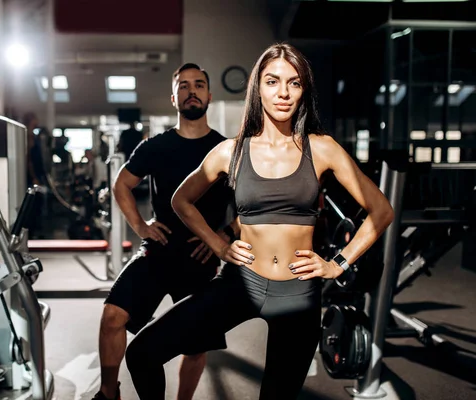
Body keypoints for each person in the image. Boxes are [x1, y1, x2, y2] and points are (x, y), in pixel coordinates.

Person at [125, 43, 395, 399]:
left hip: (298, 294)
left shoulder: (323, 148)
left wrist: (337, 264)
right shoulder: (230, 151)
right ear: (258, 88)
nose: (283, 92)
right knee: (142, 352)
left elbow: (382, 211)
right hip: (239, 284)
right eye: (273, 81)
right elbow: (181, 200)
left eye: (294, 83)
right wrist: (219, 245)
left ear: (304, 91)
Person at [93, 63, 239, 400]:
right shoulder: (155, 147)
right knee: (112, 316)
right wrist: (140, 226)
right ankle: (107, 392)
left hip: (199, 256)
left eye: (199, 85)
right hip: (159, 251)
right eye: (184, 86)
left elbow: (249, 205)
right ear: (174, 97)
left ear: (209, 95)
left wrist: (223, 237)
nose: (192, 91)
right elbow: (122, 185)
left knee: (196, 343)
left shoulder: (226, 150)